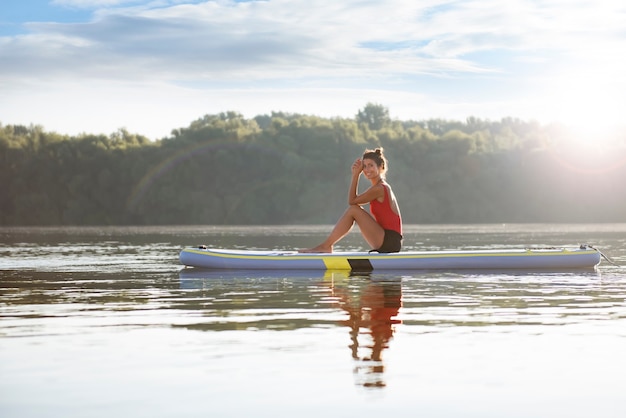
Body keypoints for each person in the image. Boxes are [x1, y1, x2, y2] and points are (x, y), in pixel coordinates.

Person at [299, 147, 402, 253]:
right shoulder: (379, 187)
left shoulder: (379, 188)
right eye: (364, 166)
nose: (367, 170)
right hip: (387, 239)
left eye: (371, 165)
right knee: (354, 209)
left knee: (353, 210)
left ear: (381, 167)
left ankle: (326, 246)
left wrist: (355, 175)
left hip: (390, 242)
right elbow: (354, 200)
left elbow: (352, 201)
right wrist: (356, 174)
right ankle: (326, 246)